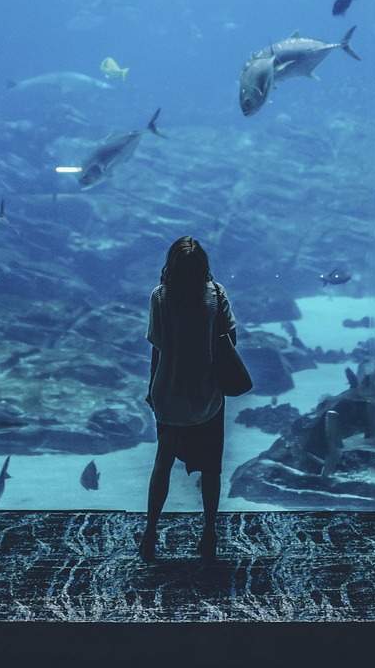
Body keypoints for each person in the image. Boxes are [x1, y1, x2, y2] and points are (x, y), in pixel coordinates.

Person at [139, 235, 237, 562]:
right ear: (203, 266)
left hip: (168, 392)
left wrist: (152, 387)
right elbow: (230, 338)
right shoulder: (216, 293)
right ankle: (209, 532)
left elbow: (158, 345)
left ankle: (150, 532)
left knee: (162, 464)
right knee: (211, 468)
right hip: (207, 394)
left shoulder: (160, 297)